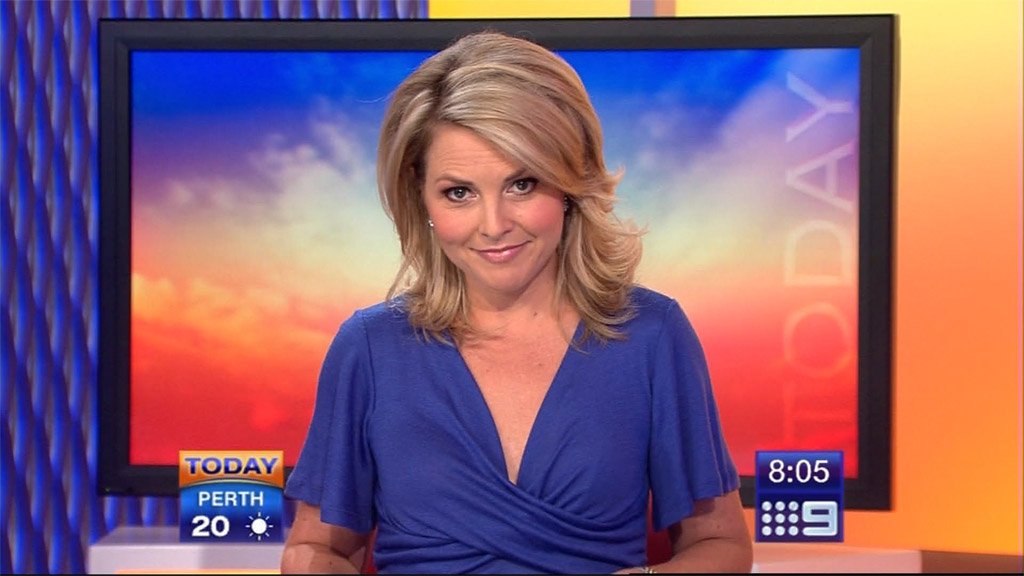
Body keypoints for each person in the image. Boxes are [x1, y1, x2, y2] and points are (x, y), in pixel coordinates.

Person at [280, 30, 752, 574]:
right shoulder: (369, 348)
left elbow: (721, 546)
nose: (494, 224)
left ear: (570, 182)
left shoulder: (651, 334)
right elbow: (320, 549)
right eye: (459, 192)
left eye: (522, 184)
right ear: (421, 197)